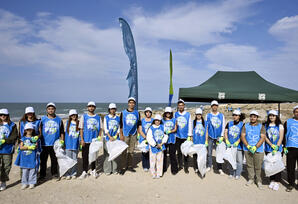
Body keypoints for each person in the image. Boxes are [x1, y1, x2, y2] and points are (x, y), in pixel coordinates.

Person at [241, 110, 266, 190]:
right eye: (251, 116)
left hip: (258, 149)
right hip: (247, 148)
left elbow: (262, 138)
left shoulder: (261, 126)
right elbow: (243, 136)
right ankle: (251, 178)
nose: (252, 118)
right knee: (249, 165)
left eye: (254, 116)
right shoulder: (246, 125)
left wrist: (255, 147)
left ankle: (258, 180)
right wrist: (248, 146)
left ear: (257, 118)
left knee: (258, 166)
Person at [39, 102, 64, 180]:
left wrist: (62, 141)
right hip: (44, 144)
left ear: (55, 109)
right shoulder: (42, 119)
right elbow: (38, 130)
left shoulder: (59, 120)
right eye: (49, 109)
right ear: (47, 110)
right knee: (43, 161)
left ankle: (54, 174)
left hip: (55, 144)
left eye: (52, 109)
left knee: (54, 160)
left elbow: (62, 131)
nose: (51, 110)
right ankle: (42, 175)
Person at [79, 101, 102, 179]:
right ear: (87, 107)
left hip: (94, 141)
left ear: (94, 108)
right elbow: (81, 129)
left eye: (92, 106)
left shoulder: (98, 117)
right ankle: (84, 171)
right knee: (85, 157)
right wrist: (82, 139)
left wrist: (98, 137)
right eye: (90, 106)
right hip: (86, 140)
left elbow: (100, 129)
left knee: (94, 156)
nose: (91, 108)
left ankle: (94, 170)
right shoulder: (84, 116)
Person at [119, 97, 140, 175]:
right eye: (130, 103)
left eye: (133, 103)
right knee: (124, 151)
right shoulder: (123, 112)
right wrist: (121, 135)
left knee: (131, 151)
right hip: (125, 134)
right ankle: (123, 167)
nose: (131, 104)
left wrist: (138, 134)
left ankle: (130, 166)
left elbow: (138, 124)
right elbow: (120, 125)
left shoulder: (137, 113)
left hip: (133, 134)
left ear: (134, 104)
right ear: (128, 103)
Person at [264, 110, 284, 191]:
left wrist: (277, 146)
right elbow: (265, 136)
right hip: (269, 148)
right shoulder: (266, 125)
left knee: (277, 164)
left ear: (276, 117)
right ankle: (272, 180)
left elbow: (281, 137)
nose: (271, 117)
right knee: (270, 165)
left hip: (278, 149)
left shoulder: (280, 126)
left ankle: (277, 181)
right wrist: (271, 145)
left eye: (273, 115)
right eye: (270, 115)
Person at [16, 123, 39, 189]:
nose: (29, 131)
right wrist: (29, 147)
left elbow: (36, 146)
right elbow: (21, 147)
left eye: (30, 129)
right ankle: (24, 183)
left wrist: (34, 143)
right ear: (25, 130)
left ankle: (32, 182)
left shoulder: (34, 138)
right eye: (27, 130)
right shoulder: (23, 139)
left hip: (32, 157)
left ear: (32, 130)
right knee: (25, 171)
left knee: (32, 170)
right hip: (24, 158)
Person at [0, 109, 18, 191]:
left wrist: (5, 140)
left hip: (7, 150)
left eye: (4, 115)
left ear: (8, 115)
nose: (2, 116)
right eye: (1, 115)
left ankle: (3, 182)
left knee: (6, 167)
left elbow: (14, 137)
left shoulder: (12, 125)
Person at [205, 100, 225, 175]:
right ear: (211, 106)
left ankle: (219, 168)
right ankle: (209, 166)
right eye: (213, 105)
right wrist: (206, 139)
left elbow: (223, 126)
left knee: (219, 153)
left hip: (218, 137)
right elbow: (206, 127)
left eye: (216, 105)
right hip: (210, 136)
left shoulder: (221, 115)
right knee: (209, 153)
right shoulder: (208, 115)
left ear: (217, 106)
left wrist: (222, 136)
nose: (214, 107)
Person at [224, 109, 245, 180]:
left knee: (239, 160)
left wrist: (238, 141)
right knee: (230, 159)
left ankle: (238, 173)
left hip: (238, 146)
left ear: (239, 116)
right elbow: (226, 132)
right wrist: (227, 140)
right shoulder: (229, 123)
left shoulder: (242, 124)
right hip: (230, 145)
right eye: (233, 115)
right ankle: (231, 172)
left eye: (236, 115)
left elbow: (243, 135)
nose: (234, 116)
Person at [147, 114, 168, 179]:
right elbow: (149, 137)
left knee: (160, 160)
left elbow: (166, 135)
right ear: (154, 121)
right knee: (152, 160)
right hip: (153, 147)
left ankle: (159, 173)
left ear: (160, 121)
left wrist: (162, 143)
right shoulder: (151, 128)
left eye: (158, 120)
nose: (157, 122)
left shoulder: (163, 127)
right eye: (156, 120)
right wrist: (155, 144)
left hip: (161, 146)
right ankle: (153, 173)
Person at [175, 99, 192, 174]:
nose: (181, 107)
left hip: (185, 136)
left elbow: (190, 125)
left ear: (184, 106)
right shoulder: (175, 114)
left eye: (182, 105)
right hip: (178, 136)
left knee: (186, 152)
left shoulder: (188, 114)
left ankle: (186, 167)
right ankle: (180, 165)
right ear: (178, 106)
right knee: (179, 152)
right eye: (179, 105)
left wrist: (190, 135)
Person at [283, 105, 298, 192]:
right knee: (290, 168)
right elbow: (284, 134)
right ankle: (291, 184)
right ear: (293, 113)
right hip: (291, 147)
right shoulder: (288, 122)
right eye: (296, 112)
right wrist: (284, 146)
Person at [103, 103, 120, 175]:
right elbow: (105, 128)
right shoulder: (106, 117)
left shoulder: (118, 118)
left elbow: (119, 128)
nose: (112, 110)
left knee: (114, 154)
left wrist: (115, 136)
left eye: (114, 109)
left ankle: (114, 169)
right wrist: (110, 137)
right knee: (107, 155)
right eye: (111, 109)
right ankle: (107, 170)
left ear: (115, 109)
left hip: (115, 138)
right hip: (107, 138)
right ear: (109, 110)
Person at [62, 109, 80, 179]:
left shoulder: (78, 123)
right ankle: (67, 173)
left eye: (74, 115)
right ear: (70, 116)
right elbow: (64, 133)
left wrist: (80, 144)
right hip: (68, 144)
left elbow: (80, 134)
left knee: (74, 159)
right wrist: (63, 143)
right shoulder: (67, 123)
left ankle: (73, 173)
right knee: (68, 159)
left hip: (75, 144)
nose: (73, 116)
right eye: (72, 115)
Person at [162, 107, 177, 175]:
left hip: (172, 139)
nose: (168, 114)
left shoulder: (174, 120)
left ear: (171, 113)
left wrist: (170, 131)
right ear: (165, 113)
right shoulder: (162, 120)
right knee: (164, 155)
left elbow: (175, 129)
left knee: (172, 155)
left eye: (169, 113)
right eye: (167, 113)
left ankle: (174, 169)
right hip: (164, 140)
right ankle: (163, 168)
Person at [138, 107, 153, 172]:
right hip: (143, 139)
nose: (148, 113)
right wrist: (146, 137)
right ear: (145, 113)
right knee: (144, 152)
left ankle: (150, 166)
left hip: (151, 139)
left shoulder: (153, 120)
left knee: (150, 152)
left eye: (149, 112)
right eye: (147, 112)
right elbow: (140, 130)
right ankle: (145, 166)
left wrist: (150, 138)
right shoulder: (142, 120)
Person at [192, 108, 206, 175]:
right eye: (197, 114)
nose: (198, 115)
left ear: (201, 115)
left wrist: (206, 141)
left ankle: (202, 168)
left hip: (202, 143)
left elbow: (207, 133)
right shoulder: (193, 122)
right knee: (195, 156)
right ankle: (196, 167)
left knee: (202, 156)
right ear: (195, 115)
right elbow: (191, 132)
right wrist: (191, 141)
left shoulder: (205, 122)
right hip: (195, 142)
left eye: (200, 114)